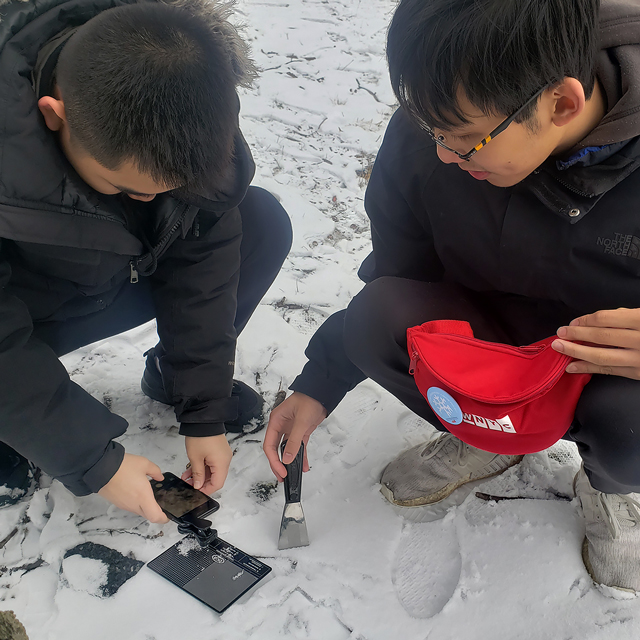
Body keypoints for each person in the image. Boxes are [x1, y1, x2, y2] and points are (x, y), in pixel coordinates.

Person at [264, 0, 640, 592]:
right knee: (377, 322)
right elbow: (397, 273)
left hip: (611, 370)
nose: (442, 154)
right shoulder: (439, 129)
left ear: (561, 103)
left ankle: (611, 487)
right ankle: (487, 433)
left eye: (464, 141)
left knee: (631, 426)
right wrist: (320, 382)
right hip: (494, 342)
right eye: (432, 131)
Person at [0, 0, 292, 522]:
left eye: (168, 191)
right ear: (53, 114)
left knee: (260, 222)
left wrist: (203, 407)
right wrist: (93, 459)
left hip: (108, 278)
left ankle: (169, 377)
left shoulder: (190, 101)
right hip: (25, 311)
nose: (147, 200)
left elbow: (205, 264)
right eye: (125, 187)